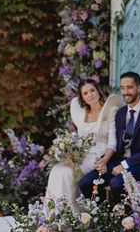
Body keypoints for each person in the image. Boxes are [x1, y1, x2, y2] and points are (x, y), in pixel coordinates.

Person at [79, 71, 140, 203]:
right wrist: (104, 161)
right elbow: (116, 144)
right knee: (86, 182)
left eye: (129, 87)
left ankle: (124, 219)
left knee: (116, 183)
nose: (126, 92)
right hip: (119, 161)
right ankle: (101, 212)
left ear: (139, 87)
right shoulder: (120, 113)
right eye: (122, 88)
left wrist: (125, 165)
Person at [46, 78, 123, 212]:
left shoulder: (111, 110)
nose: (90, 95)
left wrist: (104, 160)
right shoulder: (83, 113)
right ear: (82, 98)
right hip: (82, 155)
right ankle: (57, 213)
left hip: (99, 156)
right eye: (85, 93)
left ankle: (77, 213)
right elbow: (79, 139)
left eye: (92, 90)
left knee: (68, 174)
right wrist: (70, 155)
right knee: (58, 170)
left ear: (98, 91)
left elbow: (113, 143)